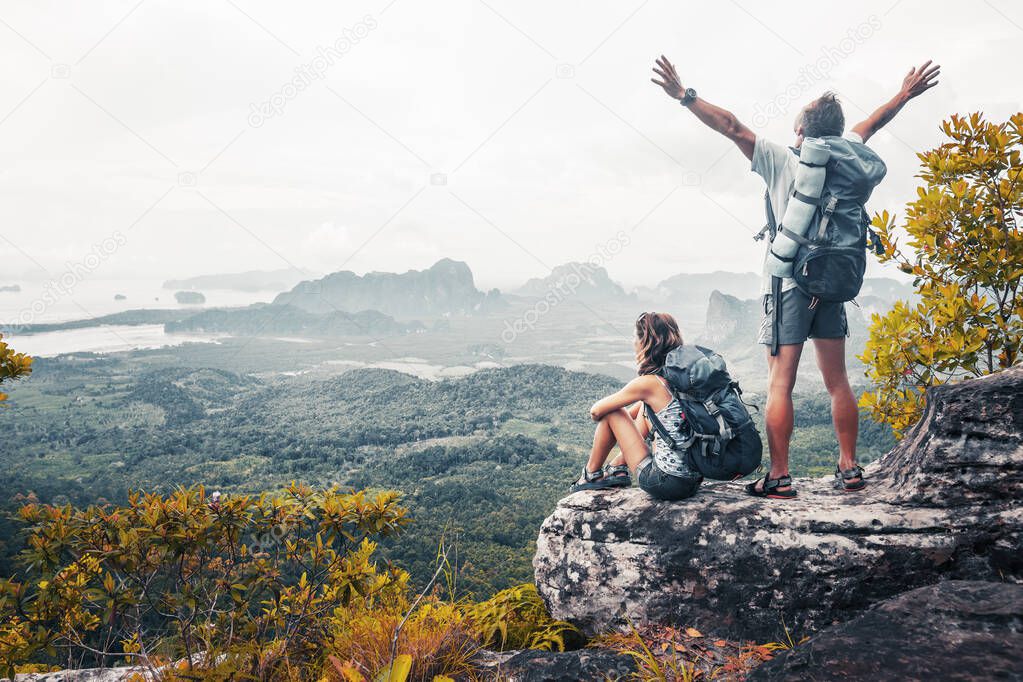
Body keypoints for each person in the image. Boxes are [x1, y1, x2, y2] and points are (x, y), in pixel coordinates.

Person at [650, 55, 940, 498]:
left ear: (803, 131)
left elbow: (731, 126)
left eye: (797, 126)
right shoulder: (849, 157)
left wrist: (685, 96)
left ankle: (780, 475)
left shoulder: (784, 160)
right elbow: (872, 123)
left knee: (780, 381)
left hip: (790, 286)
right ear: (838, 132)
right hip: (835, 284)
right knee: (837, 380)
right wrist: (904, 94)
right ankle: (849, 467)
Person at [570, 312, 703, 501]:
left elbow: (596, 411)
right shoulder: (681, 376)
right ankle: (617, 468)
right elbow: (640, 412)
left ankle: (591, 474)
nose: (633, 341)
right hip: (693, 481)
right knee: (643, 407)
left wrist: (613, 419)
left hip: (665, 483)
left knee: (612, 411)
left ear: (645, 342)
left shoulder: (649, 383)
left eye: (635, 337)